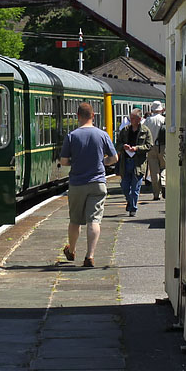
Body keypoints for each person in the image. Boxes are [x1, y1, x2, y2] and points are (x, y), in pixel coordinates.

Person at [60, 101, 118, 267]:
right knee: (94, 220)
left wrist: (76, 162)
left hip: (77, 183)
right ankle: (89, 256)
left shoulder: (72, 136)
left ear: (78, 116)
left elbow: (64, 161)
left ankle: (71, 250)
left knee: (75, 220)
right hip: (97, 183)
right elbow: (114, 159)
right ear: (93, 116)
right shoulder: (102, 135)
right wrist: (102, 161)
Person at [115, 108, 153, 216]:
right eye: (130, 118)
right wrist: (123, 146)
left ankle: (133, 209)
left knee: (136, 187)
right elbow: (117, 144)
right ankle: (130, 201)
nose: (130, 120)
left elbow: (150, 145)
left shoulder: (145, 131)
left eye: (133, 118)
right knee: (125, 186)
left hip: (139, 163)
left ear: (139, 119)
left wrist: (137, 148)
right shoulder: (125, 130)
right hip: (125, 162)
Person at [143, 101, 167, 200]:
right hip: (163, 147)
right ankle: (164, 183)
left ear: (152, 109)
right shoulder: (164, 120)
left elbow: (143, 133)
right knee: (164, 167)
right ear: (161, 109)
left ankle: (156, 194)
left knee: (154, 171)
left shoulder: (148, 120)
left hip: (151, 147)